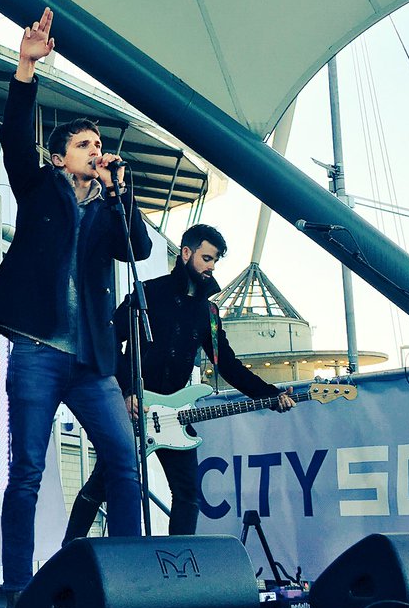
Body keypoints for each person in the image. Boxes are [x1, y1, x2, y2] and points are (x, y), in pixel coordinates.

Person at [0, 8, 152, 608]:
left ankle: (131, 580)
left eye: (100, 146)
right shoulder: (40, 188)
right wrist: (26, 67)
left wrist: (121, 192)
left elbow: (144, 249)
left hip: (92, 361)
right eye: (84, 145)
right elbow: (16, 143)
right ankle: (19, 591)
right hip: (37, 350)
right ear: (60, 158)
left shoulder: (109, 210)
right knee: (24, 470)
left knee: (125, 462)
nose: (96, 152)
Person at [63, 224, 295, 542]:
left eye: (215, 261)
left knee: (188, 494)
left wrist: (270, 395)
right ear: (186, 253)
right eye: (207, 258)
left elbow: (225, 363)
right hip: (133, 410)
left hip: (174, 417)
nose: (211, 267)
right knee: (99, 488)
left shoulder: (209, 312)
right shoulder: (147, 293)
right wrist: (128, 391)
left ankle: (176, 568)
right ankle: (67, 553)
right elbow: (106, 339)